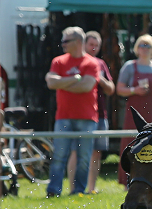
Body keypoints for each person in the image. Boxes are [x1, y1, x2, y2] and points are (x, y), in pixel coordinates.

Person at [45, 27, 100, 197]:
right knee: (59, 156)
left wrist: (62, 82)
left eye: (65, 41)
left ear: (77, 42)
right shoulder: (58, 61)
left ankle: (78, 191)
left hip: (87, 117)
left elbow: (87, 85)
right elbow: (50, 83)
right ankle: (54, 191)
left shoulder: (91, 63)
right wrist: (75, 79)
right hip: (63, 117)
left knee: (84, 158)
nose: (62, 45)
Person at [117, 34, 152, 186]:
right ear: (137, 48)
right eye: (142, 45)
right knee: (132, 143)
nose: (144, 48)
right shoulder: (129, 66)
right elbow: (119, 89)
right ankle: (128, 179)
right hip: (134, 113)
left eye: (148, 45)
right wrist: (134, 90)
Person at [66, 30, 114, 194]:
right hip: (79, 114)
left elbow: (111, 89)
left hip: (100, 114)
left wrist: (99, 79)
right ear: (84, 44)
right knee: (75, 151)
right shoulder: (74, 62)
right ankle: (74, 188)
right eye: (91, 44)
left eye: (96, 45)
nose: (93, 48)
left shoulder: (100, 64)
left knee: (96, 152)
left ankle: (91, 188)